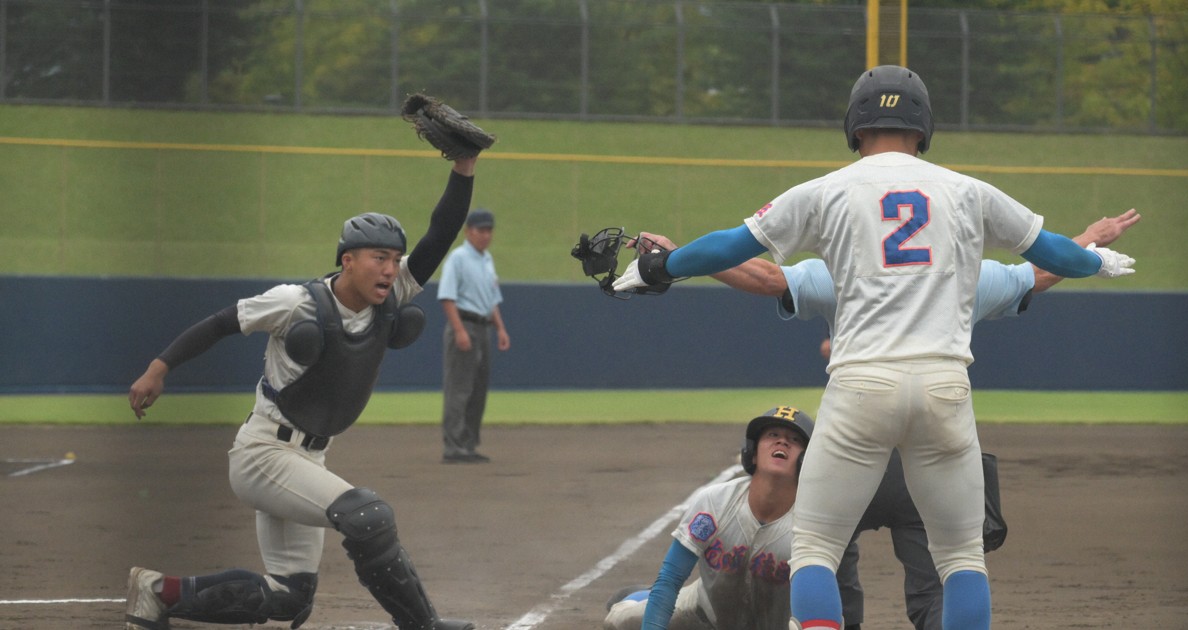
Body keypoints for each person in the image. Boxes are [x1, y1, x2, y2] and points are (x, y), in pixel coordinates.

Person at [611, 65, 1135, 630]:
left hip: (861, 388)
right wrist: (1094, 258)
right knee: (961, 557)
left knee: (815, 550)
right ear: (923, 127)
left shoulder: (826, 192)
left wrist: (661, 265)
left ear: (856, 126)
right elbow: (1048, 255)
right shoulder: (967, 193)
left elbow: (733, 250)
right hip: (944, 389)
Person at [123, 156, 481, 630]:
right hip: (264, 453)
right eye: (379, 257)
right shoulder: (296, 301)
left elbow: (441, 233)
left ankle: (158, 593)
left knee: (289, 597)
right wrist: (157, 368)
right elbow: (219, 324)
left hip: (308, 459)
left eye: (395, 260)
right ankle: (424, 626)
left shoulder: (391, 298)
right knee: (368, 516)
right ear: (347, 260)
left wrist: (463, 167)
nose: (391, 269)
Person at [603, 406, 816, 630]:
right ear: (752, 452)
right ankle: (637, 597)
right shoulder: (715, 502)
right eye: (772, 435)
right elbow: (670, 578)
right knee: (619, 623)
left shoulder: (812, 522)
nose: (782, 442)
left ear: (806, 461)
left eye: (793, 439)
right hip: (702, 614)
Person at [438, 208, 510, 464]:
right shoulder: (458, 258)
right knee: (459, 389)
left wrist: (500, 328)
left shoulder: (486, 259)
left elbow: (492, 299)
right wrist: (458, 330)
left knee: (477, 390)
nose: (485, 235)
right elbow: (447, 296)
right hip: (464, 324)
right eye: (480, 230)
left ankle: (468, 444)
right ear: (468, 232)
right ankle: (453, 446)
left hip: (484, 327)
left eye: (489, 230)